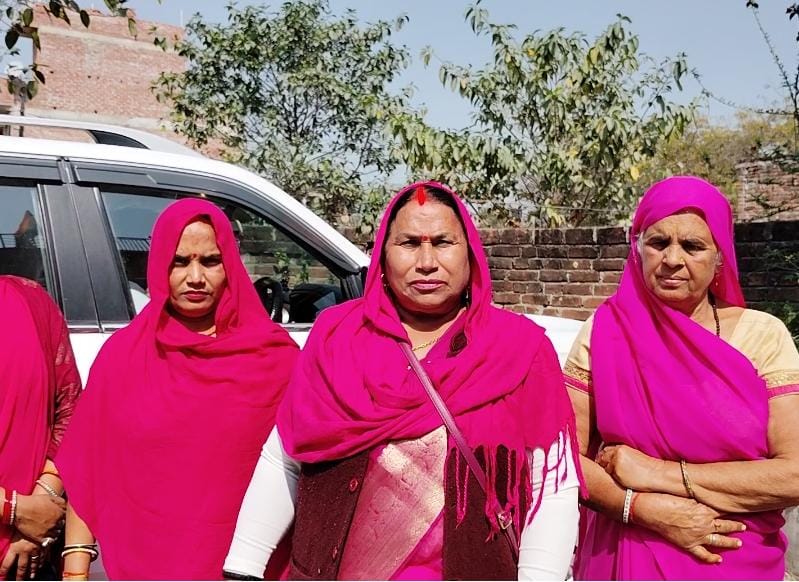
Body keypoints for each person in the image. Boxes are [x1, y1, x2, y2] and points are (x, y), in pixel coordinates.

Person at [224, 181, 583, 581]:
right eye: (409, 243)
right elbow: (286, 457)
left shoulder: (517, 349)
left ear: (470, 253)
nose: (427, 262)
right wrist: (244, 566)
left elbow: (552, 486)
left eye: (443, 242)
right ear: (383, 253)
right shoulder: (336, 338)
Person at [564, 176, 799, 580]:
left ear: (720, 257)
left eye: (692, 246)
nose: (672, 259)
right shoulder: (605, 332)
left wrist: (657, 474)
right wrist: (642, 509)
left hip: (736, 562)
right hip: (625, 558)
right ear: (637, 247)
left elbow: (794, 475)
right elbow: (565, 459)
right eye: (658, 243)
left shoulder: (762, 335)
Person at [56, 199, 300, 580]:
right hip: (143, 568)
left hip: (247, 570)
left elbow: (300, 472)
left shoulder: (276, 360)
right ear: (159, 265)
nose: (195, 277)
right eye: (180, 262)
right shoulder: (124, 357)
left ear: (230, 265)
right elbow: (86, 468)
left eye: (210, 261)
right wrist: (74, 572)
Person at [0, 275, 79, 581]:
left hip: (28, 554)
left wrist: (45, 498)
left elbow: (71, 407)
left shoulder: (32, 301)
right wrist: (18, 510)